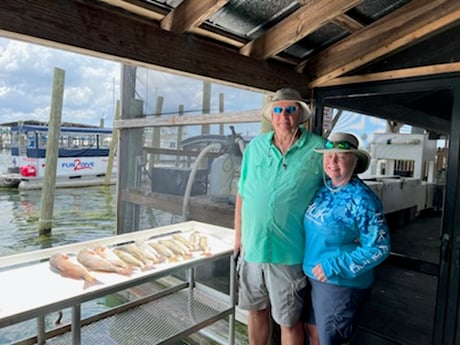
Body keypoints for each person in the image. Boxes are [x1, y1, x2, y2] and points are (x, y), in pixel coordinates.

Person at [234, 88, 325, 345]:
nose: (283, 115)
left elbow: (334, 189)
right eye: (278, 109)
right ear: (271, 115)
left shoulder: (318, 149)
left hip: (289, 252)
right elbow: (242, 193)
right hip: (252, 249)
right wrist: (238, 238)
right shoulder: (254, 147)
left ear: (300, 114)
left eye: (290, 109)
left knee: (289, 321)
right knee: (255, 310)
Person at [303, 132, 391, 345]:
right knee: (314, 332)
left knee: (331, 340)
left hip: (340, 283)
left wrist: (334, 266)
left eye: (341, 156)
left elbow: (379, 247)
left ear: (355, 161)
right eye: (329, 155)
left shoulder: (362, 199)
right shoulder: (324, 189)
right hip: (314, 277)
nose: (333, 162)